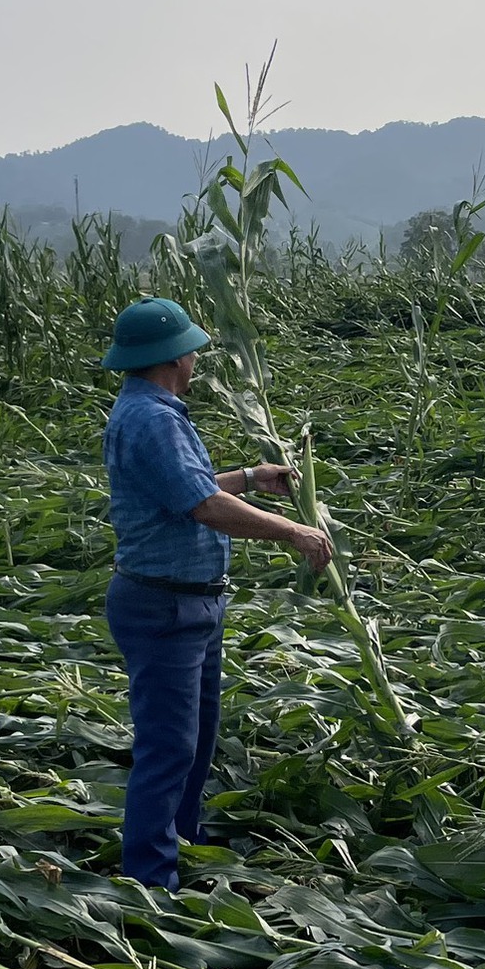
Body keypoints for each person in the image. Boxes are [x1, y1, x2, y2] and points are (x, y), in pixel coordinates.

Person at [100, 297, 332, 889]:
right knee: (169, 747)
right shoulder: (152, 418)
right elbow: (203, 505)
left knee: (196, 741)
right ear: (174, 357)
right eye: (192, 348)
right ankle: (153, 881)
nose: (198, 356)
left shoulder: (150, 410)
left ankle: (187, 847)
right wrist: (296, 532)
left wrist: (252, 479)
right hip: (165, 603)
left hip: (189, 601)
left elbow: (186, 487)